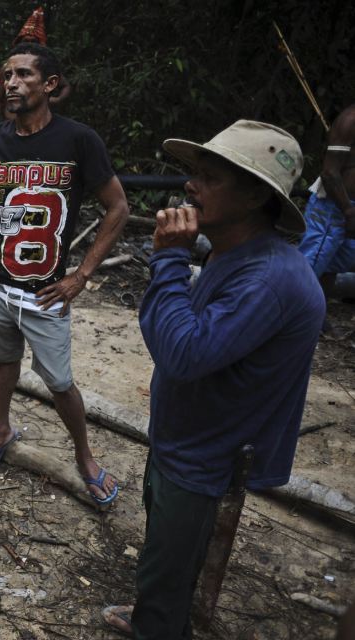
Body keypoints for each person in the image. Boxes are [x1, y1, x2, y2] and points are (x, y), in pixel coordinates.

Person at [101, 120, 325, 638]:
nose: (189, 186)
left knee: (171, 564)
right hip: (184, 439)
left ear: (254, 195)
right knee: (165, 557)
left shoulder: (268, 279)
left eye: (209, 177)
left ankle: (159, 624)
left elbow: (181, 352)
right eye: (194, 173)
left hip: (206, 456)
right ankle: (159, 611)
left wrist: (171, 257)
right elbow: (178, 333)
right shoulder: (230, 251)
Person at [0, 42, 128, 505]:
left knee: (60, 382)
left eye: (23, 75)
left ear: (50, 85)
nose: (11, 83)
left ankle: (84, 455)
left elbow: (118, 207)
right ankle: (0, 431)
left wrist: (82, 275)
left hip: (45, 292)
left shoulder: (78, 140)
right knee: (3, 362)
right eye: (7, 75)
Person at [296, 103, 355, 331]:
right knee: (310, 265)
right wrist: (347, 210)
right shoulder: (349, 120)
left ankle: (315, 317)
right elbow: (330, 172)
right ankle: (287, 319)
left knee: (332, 265)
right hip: (332, 208)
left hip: (349, 208)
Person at [0, 6, 70, 125]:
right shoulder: (6, 68)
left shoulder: (46, 67)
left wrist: (57, 100)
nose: (29, 44)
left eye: (33, 42)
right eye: (26, 41)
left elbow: (66, 86)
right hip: (12, 128)